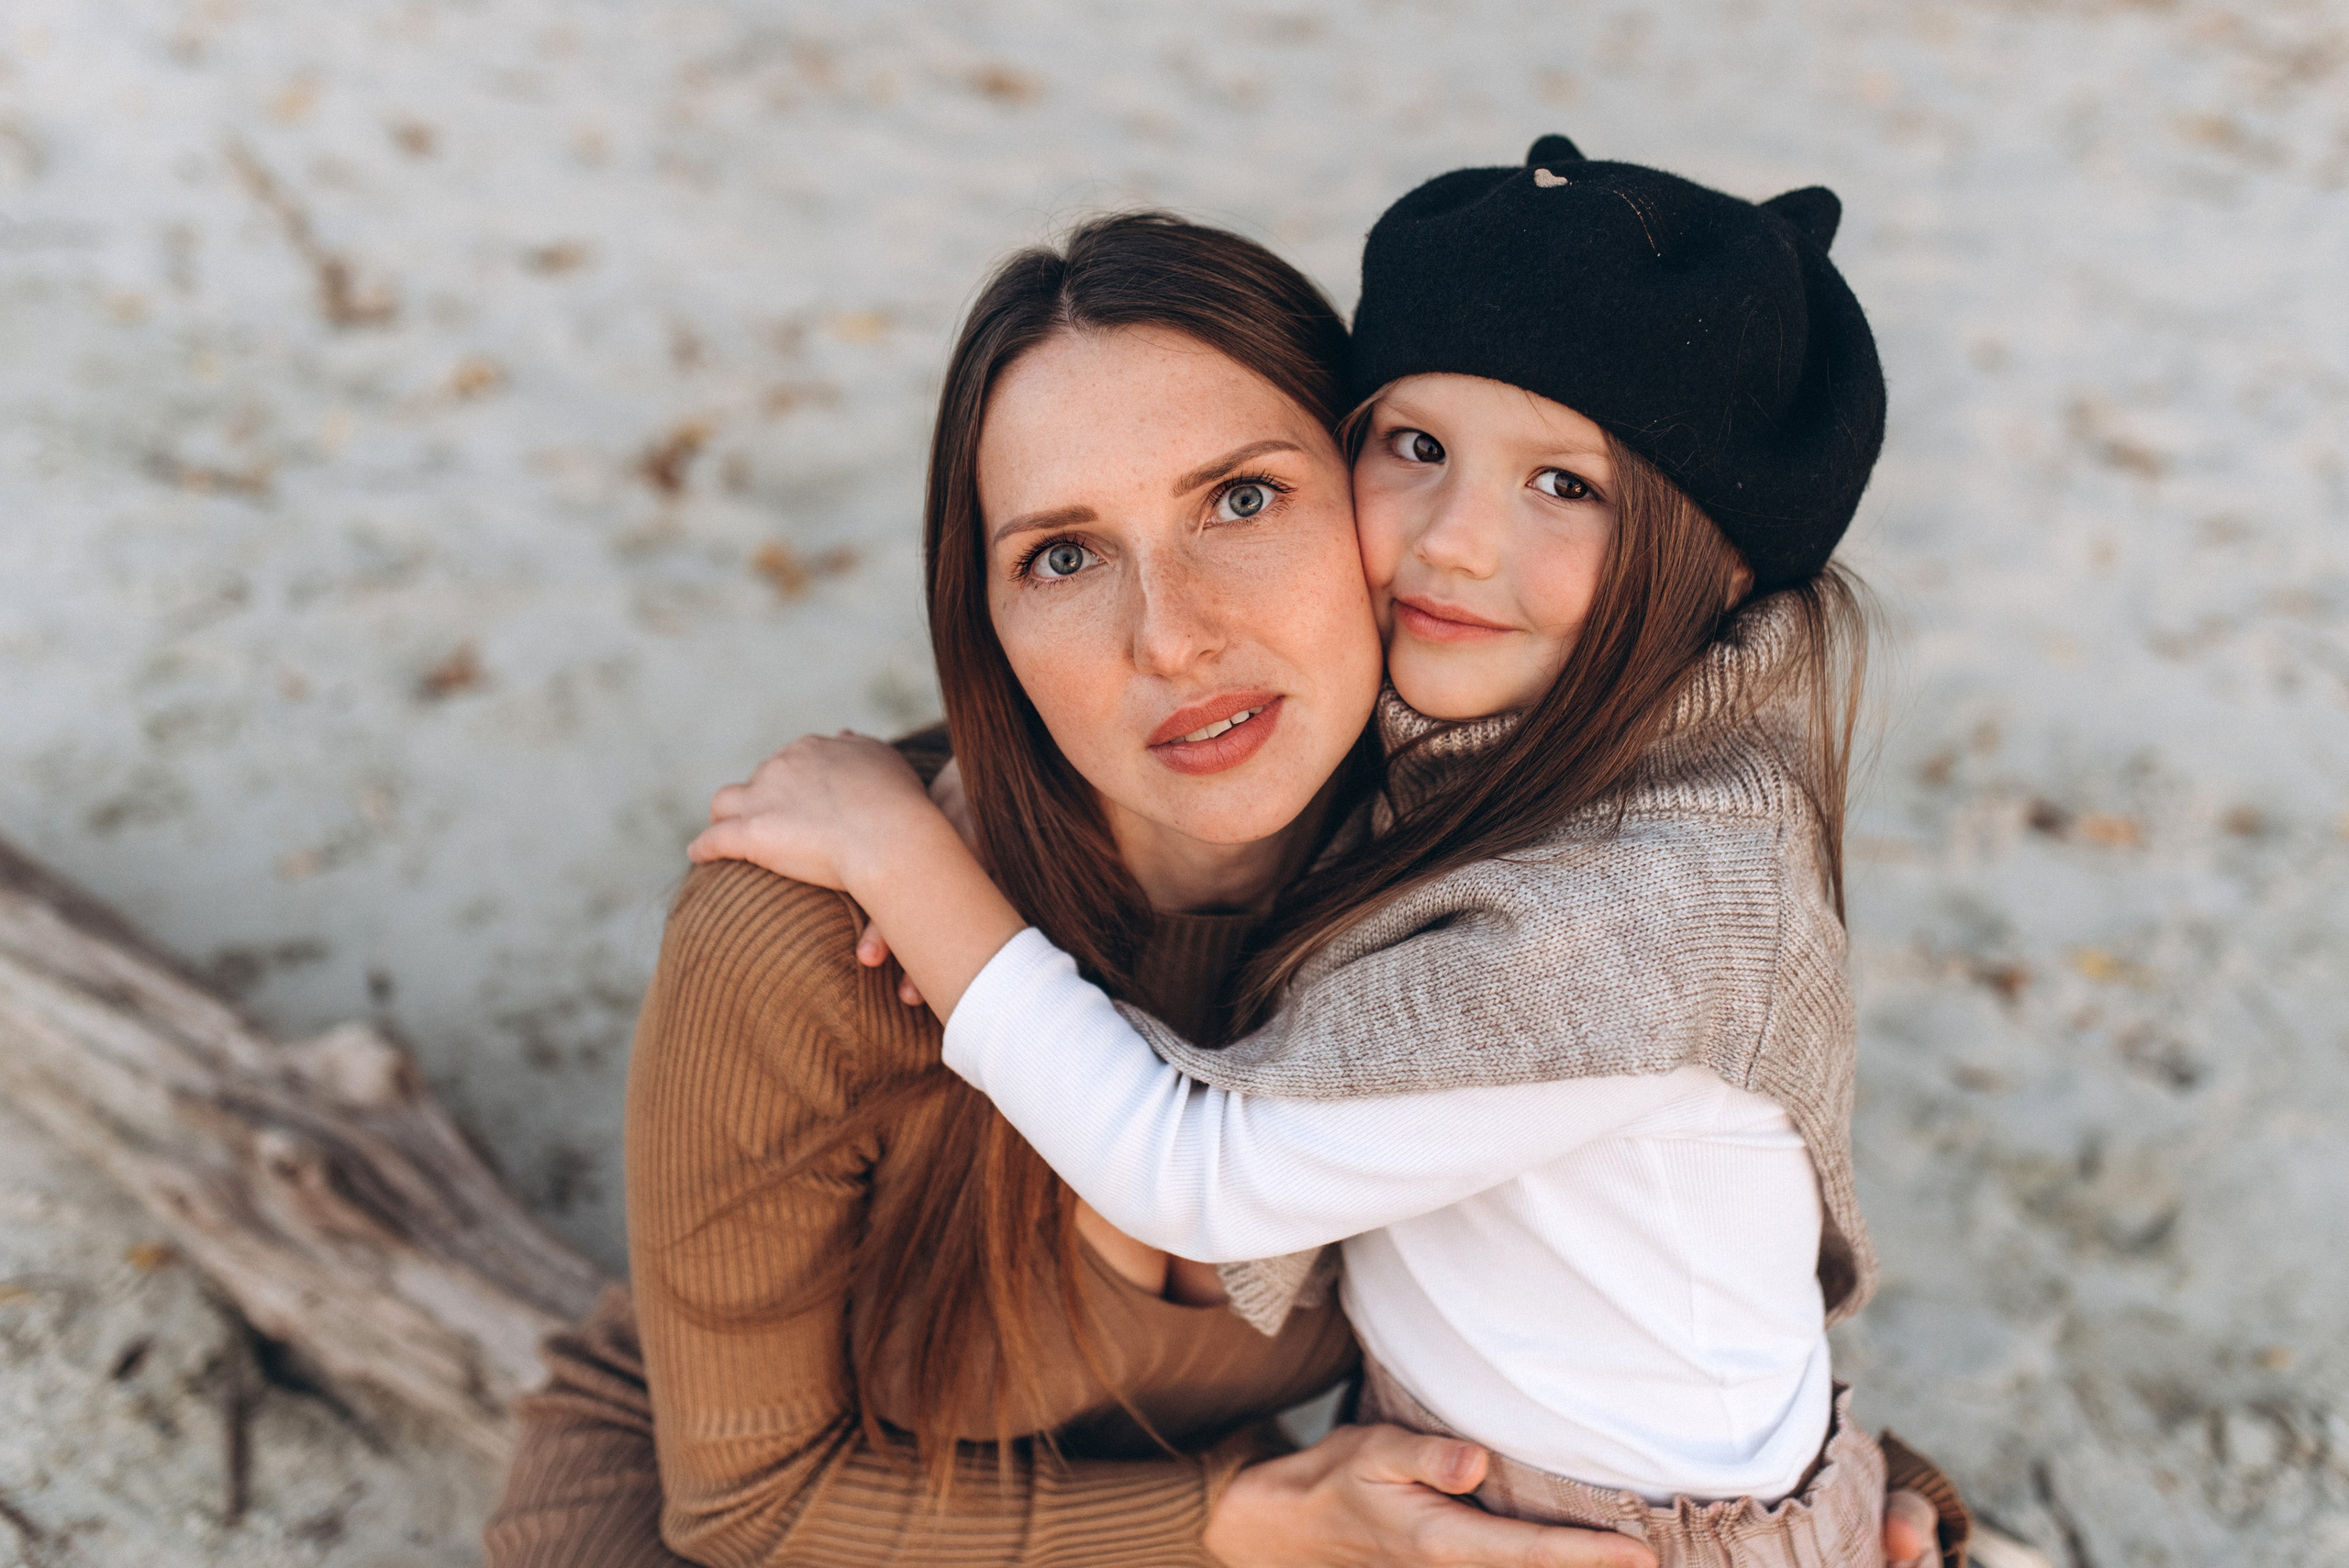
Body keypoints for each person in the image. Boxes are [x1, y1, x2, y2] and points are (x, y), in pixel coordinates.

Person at [689, 139, 1967, 1568]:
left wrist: (905, 858)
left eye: (1569, 485)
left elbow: (1209, 1178)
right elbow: (745, 1500)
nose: (1454, 545)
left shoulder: (1631, 896)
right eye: (1417, 448)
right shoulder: (1437, 783)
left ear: (1719, 563)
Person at [485, 210, 1661, 1568]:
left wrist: (1858, 1489)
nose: (1173, 635)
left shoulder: (1488, 927)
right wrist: (1227, 1520)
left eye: (1242, 498)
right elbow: (751, 1503)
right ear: (986, 626)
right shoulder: (805, 944)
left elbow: (1671, 1259)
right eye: (1063, 554)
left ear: (1371, 507)